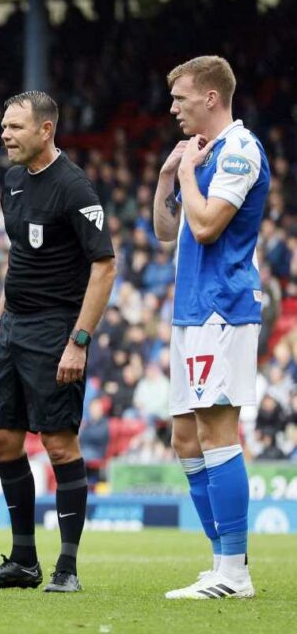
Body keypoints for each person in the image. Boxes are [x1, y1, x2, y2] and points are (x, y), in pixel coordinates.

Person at [0, 91, 116, 593]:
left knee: (57, 441)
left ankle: (67, 567)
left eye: (15, 127)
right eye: (4, 125)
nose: (5, 134)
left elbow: (105, 264)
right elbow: (19, 261)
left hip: (57, 328)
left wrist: (80, 339)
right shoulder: (11, 181)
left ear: (45, 130)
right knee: (1, 439)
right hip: (14, 327)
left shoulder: (74, 187)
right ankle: (23, 562)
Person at [153, 55, 269, 600]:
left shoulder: (239, 151)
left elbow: (203, 227)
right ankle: (219, 561)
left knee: (218, 433)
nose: (173, 106)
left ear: (211, 98)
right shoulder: (199, 154)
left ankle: (235, 574)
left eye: (180, 97)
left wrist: (184, 175)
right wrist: (165, 179)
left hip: (222, 307)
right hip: (190, 309)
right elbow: (165, 229)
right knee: (185, 437)